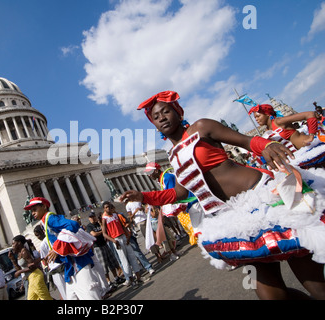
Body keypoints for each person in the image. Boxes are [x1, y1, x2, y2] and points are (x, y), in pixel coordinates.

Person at [120, 90, 325, 300]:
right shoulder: (173, 156)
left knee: (317, 286)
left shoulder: (201, 128)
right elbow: (180, 193)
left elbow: (246, 141)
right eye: (155, 117)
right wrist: (143, 197)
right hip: (237, 219)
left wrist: (267, 145)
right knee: (272, 296)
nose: (161, 118)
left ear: (178, 112)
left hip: (265, 198)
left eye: (166, 112)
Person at [25, 197, 102, 300]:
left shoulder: (50, 218)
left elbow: (73, 225)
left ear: (44, 206)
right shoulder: (45, 222)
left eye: (35, 209)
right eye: (31, 211)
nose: (32, 213)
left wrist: (57, 248)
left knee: (89, 294)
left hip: (77, 262)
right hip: (69, 265)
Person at [248, 104, 325, 169]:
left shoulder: (278, 121)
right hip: (300, 158)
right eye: (255, 118)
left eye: (258, 116)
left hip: (313, 149)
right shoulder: (267, 132)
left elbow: (310, 114)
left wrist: (311, 135)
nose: (256, 120)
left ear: (267, 114)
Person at [145, 162, 198, 245]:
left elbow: (172, 195)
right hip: (184, 206)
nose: (148, 175)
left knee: (195, 228)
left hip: (188, 204)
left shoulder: (167, 177)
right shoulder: (162, 179)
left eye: (149, 172)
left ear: (156, 171)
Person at [101, 201, 142, 289]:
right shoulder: (104, 219)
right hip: (116, 239)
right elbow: (104, 233)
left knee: (132, 257)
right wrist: (113, 241)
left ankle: (138, 277)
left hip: (123, 236)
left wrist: (127, 235)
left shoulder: (115, 215)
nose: (108, 208)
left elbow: (122, 226)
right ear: (104, 209)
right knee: (124, 261)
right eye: (106, 207)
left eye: (109, 207)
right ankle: (132, 281)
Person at [85, 211, 124, 289]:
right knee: (104, 265)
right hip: (98, 247)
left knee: (112, 261)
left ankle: (116, 277)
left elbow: (105, 230)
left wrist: (101, 230)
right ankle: (109, 281)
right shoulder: (89, 226)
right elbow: (94, 234)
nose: (93, 218)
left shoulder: (98, 224)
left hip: (104, 244)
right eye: (91, 217)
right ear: (89, 219)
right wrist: (102, 232)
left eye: (93, 217)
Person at [9, 235, 53, 300]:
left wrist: (20, 272)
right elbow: (19, 268)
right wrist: (12, 259)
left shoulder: (24, 252)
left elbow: (33, 266)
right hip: (30, 278)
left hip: (35, 276)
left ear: (19, 243)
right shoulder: (19, 253)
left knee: (45, 297)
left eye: (13, 243)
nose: (12, 245)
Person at [34, 224, 67, 300]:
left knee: (64, 292)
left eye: (38, 235)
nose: (38, 237)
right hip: (64, 265)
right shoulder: (54, 237)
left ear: (42, 232)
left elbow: (45, 261)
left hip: (55, 269)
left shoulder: (43, 244)